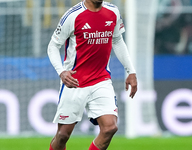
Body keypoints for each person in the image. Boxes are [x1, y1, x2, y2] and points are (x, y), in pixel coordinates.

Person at [47, 0, 137, 150]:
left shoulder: (113, 12)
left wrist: (131, 71)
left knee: (110, 127)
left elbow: (117, 40)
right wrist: (61, 72)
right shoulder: (73, 15)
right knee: (63, 135)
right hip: (74, 81)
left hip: (101, 80)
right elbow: (53, 46)